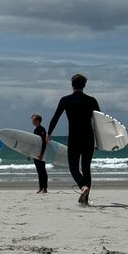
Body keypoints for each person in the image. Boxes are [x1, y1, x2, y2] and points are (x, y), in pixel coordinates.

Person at [46, 73, 99, 205]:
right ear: (84, 85)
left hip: (74, 138)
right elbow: (100, 122)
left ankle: (83, 187)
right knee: (86, 168)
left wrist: (49, 133)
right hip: (88, 137)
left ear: (72, 85)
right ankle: (85, 200)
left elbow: (55, 117)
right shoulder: (92, 100)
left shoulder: (65, 100)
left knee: (73, 167)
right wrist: (100, 140)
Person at [31, 113, 48, 194]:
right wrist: (30, 153)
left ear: (37, 120)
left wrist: (42, 154)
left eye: (33, 120)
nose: (32, 121)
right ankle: (41, 188)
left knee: (43, 171)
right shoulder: (35, 130)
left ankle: (45, 188)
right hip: (36, 154)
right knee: (39, 171)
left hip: (41, 154)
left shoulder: (42, 130)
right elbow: (35, 144)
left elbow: (44, 143)